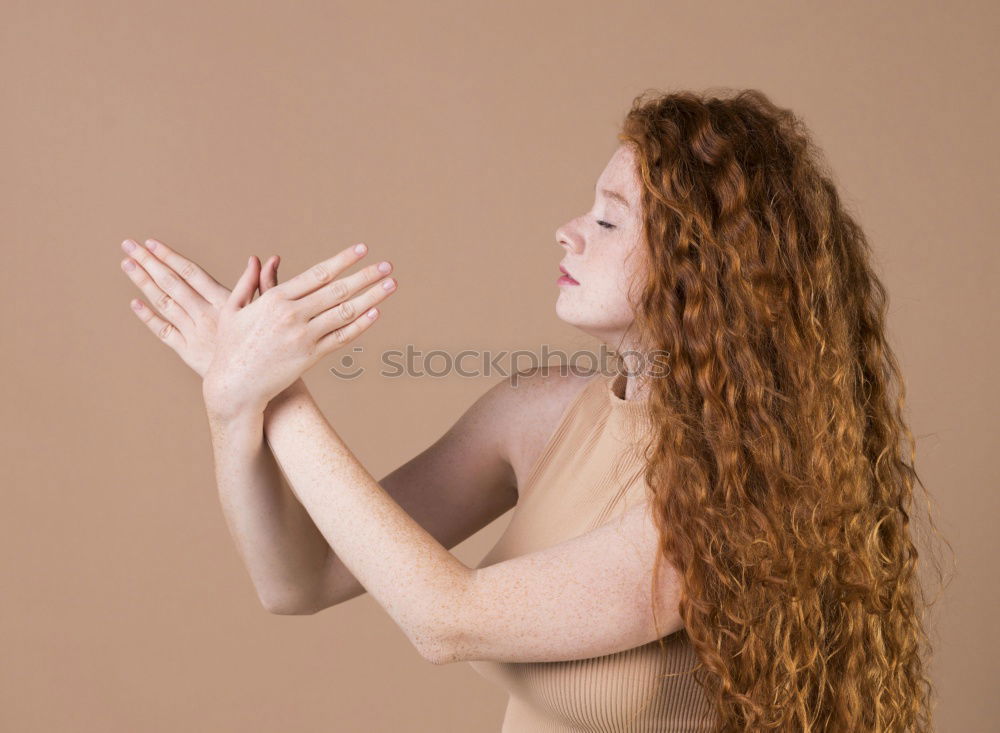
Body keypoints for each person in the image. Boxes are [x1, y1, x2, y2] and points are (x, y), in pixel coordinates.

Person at [118, 88, 943, 732]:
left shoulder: (744, 498)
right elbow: (297, 578)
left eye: (609, 218)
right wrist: (234, 411)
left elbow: (448, 618)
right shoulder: (534, 413)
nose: (567, 231)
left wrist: (275, 389)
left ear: (705, 269)